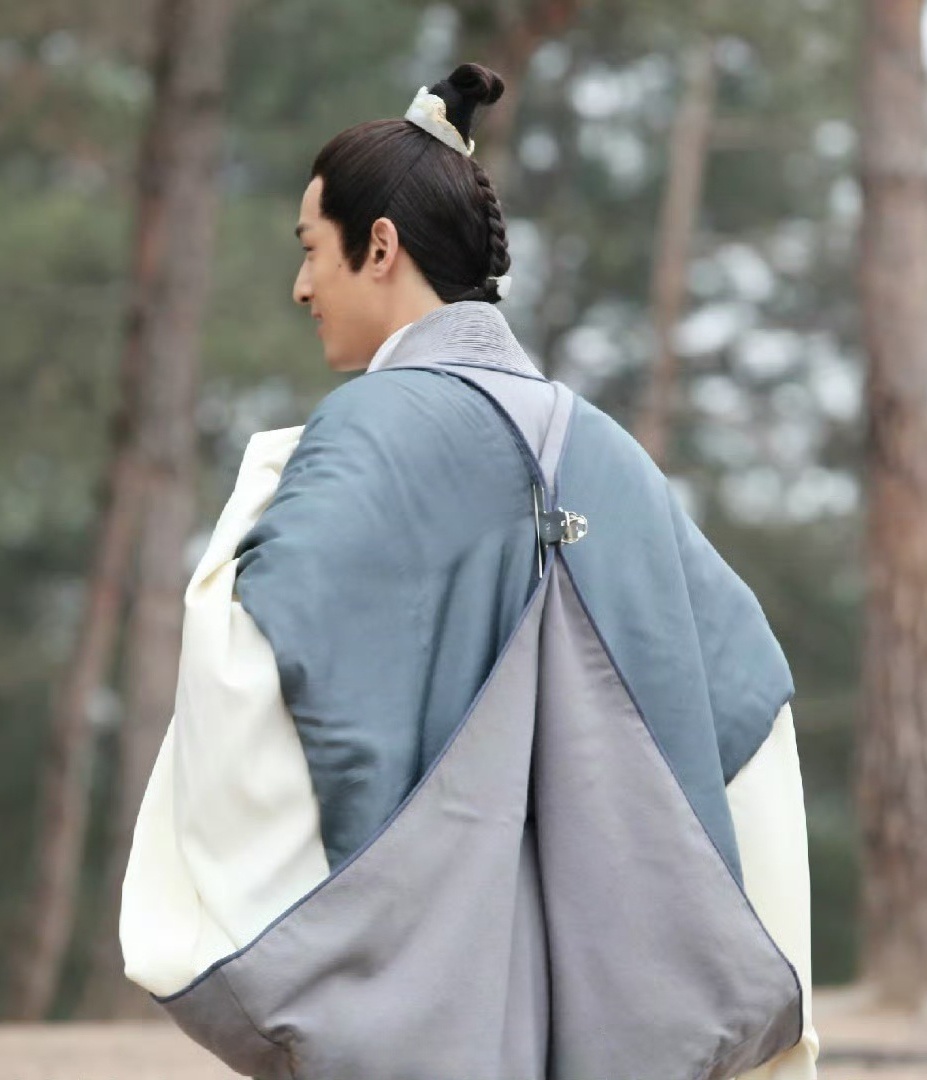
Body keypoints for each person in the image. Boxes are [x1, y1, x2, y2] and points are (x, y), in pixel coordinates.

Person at [121, 63, 820, 1080]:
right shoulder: (610, 448)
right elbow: (745, 697)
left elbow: (255, 658)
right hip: (620, 1005)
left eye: (311, 249)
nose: (302, 286)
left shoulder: (362, 431)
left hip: (429, 1011)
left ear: (380, 247)